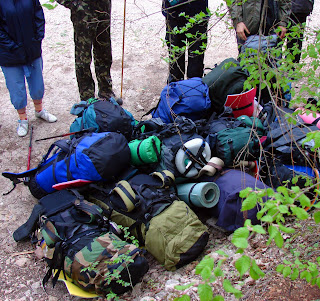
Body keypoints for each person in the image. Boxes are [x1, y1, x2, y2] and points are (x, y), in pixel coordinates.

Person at [0, 0, 57, 137]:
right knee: (16, 87)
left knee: (37, 82)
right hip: (9, 54)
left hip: (32, 49)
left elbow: (38, 15)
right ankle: (23, 119)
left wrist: (38, 38)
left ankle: (39, 111)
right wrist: (13, 47)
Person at [56, 0, 114, 101]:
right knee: (83, 58)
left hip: (103, 7)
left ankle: (106, 91)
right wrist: (74, 4)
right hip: (83, 12)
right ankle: (87, 97)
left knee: (104, 52)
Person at [162, 0, 209, 83]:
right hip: (173, 11)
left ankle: (194, 89)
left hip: (198, 11)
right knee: (175, 59)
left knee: (196, 59)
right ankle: (175, 89)